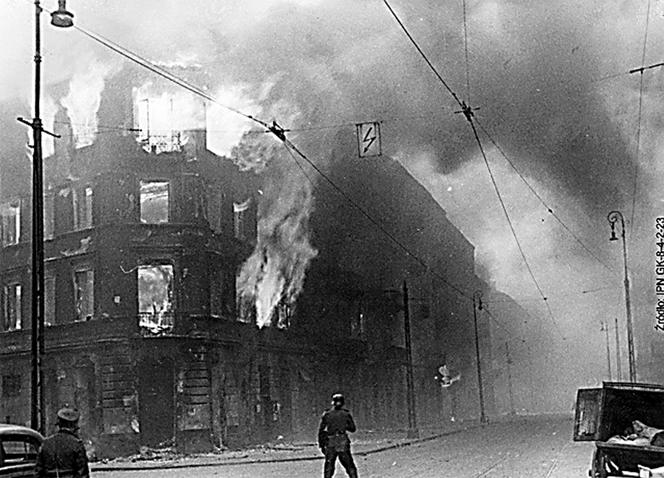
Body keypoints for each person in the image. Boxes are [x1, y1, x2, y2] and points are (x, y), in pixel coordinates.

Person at [35, 406, 90, 478]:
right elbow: (82, 475)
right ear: (73, 426)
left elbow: (38, 472)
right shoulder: (77, 445)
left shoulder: (46, 443)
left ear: (59, 424)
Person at [317, 393, 358, 478]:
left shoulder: (327, 414)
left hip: (331, 442)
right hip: (342, 441)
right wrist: (343, 425)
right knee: (349, 465)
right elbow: (353, 429)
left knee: (329, 466)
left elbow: (321, 431)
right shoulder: (346, 414)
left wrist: (321, 445)